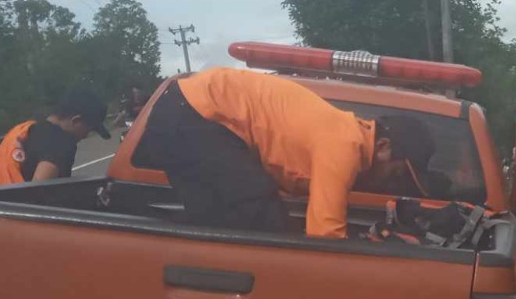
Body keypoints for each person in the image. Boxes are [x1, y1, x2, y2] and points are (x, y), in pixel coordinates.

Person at [131, 67, 436, 238]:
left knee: (217, 229)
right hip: (196, 113)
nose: (391, 184)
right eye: (395, 173)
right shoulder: (346, 145)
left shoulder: (342, 134)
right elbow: (325, 236)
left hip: (182, 116)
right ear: (383, 147)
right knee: (263, 214)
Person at [0, 88, 110, 185]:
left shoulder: (28, 130)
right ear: (76, 121)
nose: (85, 136)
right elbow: (39, 192)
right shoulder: (62, 144)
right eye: (88, 129)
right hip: (18, 214)